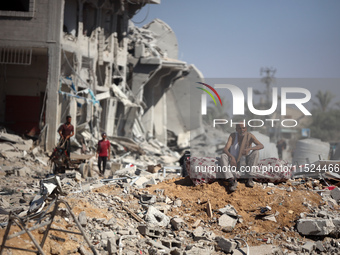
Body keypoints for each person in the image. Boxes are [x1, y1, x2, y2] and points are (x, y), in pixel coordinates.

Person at [220, 123, 264, 192]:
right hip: (233, 162)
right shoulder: (233, 136)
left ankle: (249, 178)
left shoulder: (250, 136)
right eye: (239, 128)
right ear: (236, 129)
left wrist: (249, 149)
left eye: (243, 128)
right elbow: (225, 149)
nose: (242, 130)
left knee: (256, 152)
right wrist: (232, 157)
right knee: (223, 156)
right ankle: (231, 180)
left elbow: (261, 145)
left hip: (245, 162)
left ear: (246, 128)